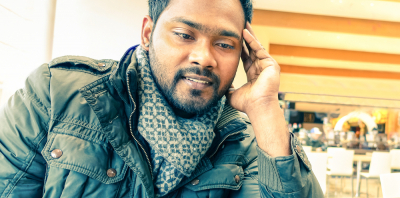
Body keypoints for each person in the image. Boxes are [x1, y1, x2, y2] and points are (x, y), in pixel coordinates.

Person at [0, 0, 323, 197]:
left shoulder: (244, 143)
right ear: (147, 34)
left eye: (224, 44)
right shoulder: (56, 95)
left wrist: (266, 110)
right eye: (184, 35)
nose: (203, 57)